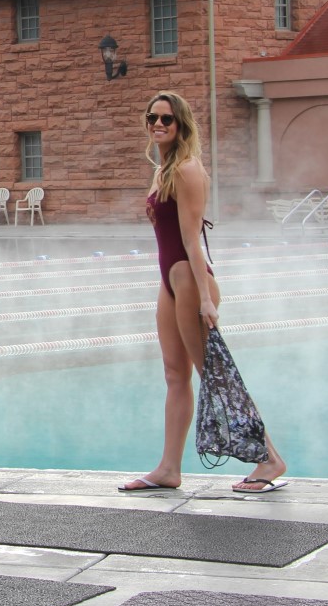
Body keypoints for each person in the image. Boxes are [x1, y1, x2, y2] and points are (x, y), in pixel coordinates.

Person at [118, 90, 287, 494]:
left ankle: (270, 459)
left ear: (181, 125)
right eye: (152, 118)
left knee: (212, 373)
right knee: (175, 375)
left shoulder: (188, 170)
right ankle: (168, 469)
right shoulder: (164, 169)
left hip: (191, 281)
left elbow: (193, 241)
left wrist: (208, 300)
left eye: (167, 120)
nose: (158, 125)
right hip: (170, 280)